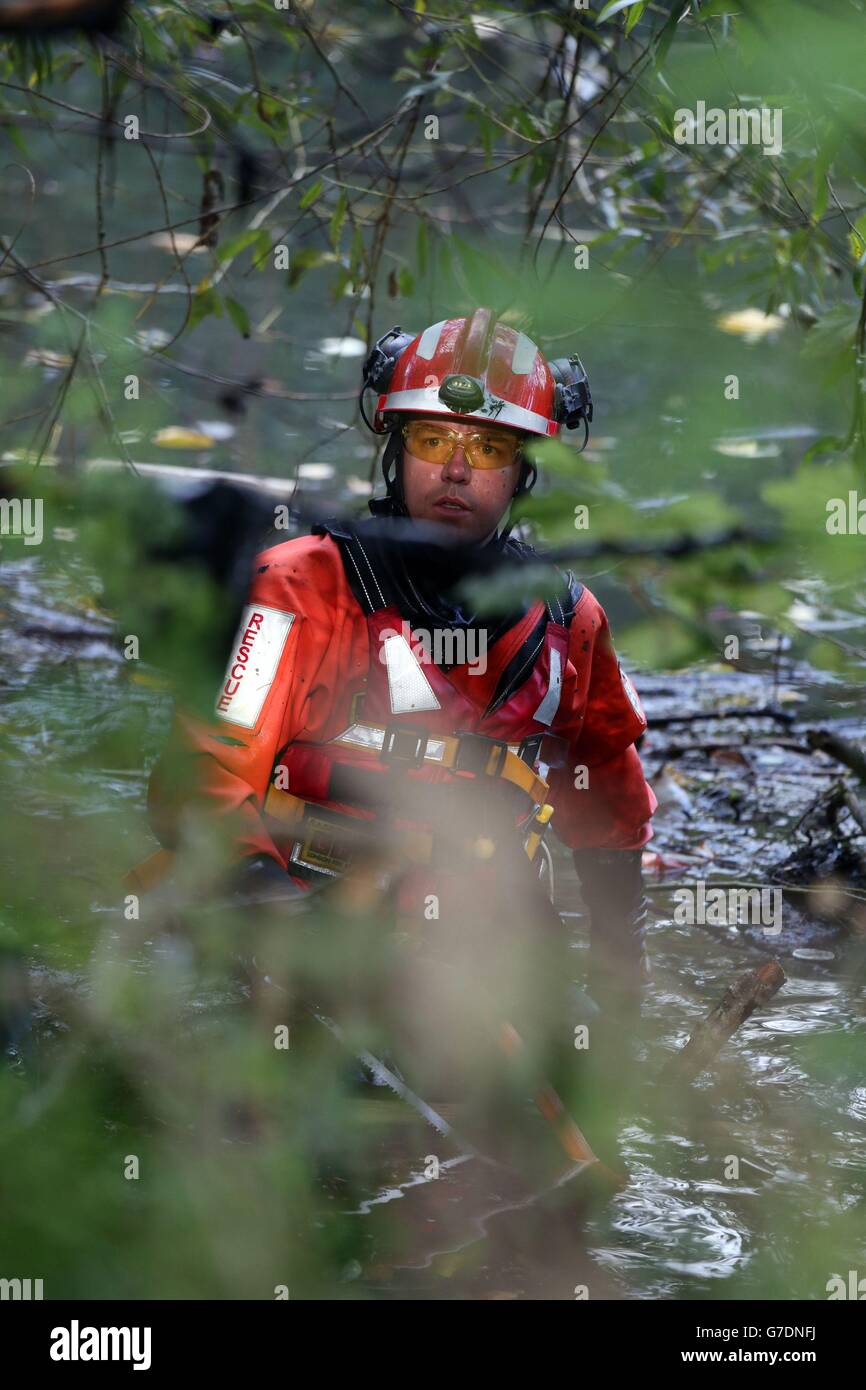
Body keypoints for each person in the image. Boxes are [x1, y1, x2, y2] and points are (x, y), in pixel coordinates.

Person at [147, 309, 656, 1043]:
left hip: (483, 948)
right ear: (396, 449)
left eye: (488, 446)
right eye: (431, 440)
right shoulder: (296, 589)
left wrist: (620, 976)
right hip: (298, 928)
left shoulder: (568, 623)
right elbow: (204, 775)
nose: (456, 469)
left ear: (523, 470)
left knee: (566, 1063)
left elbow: (611, 806)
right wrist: (271, 916)